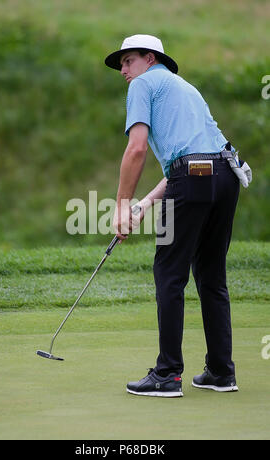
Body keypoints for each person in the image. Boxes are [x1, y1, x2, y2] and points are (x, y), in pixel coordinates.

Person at [105, 34, 250, 397]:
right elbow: (193, 164)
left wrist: (122, 203)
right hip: (225, 176)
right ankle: (221, 372)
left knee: (169, 272)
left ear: (149, 59)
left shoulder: (142, 85)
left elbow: (137, 149)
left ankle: (167, 374)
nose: (123, 70)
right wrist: (143, 204)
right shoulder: (184, 88)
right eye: (121, 65)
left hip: (195, 178)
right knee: (211, 274)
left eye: (128, 61)